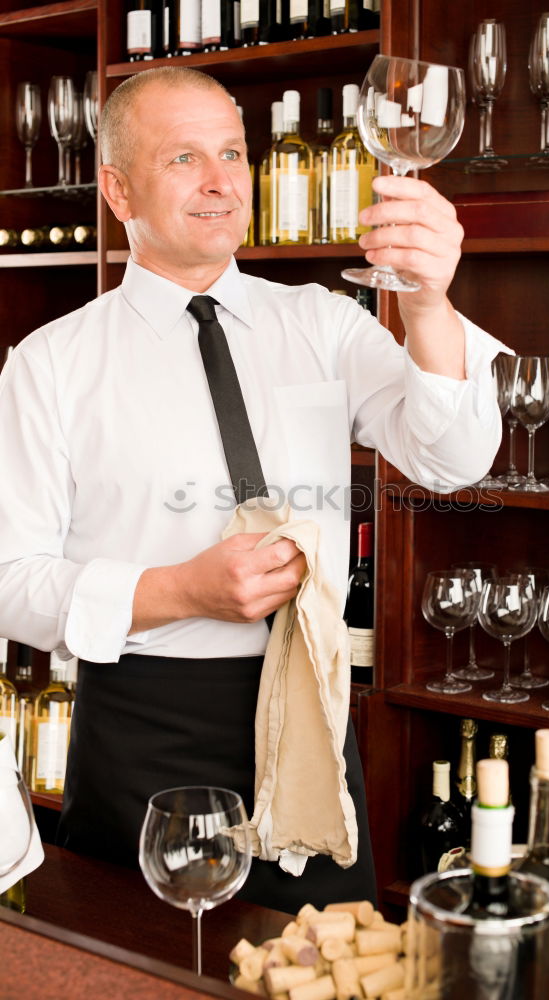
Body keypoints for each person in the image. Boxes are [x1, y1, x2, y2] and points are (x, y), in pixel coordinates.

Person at [0, 67, 508, 912]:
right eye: (184, 157)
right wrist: (178, 591)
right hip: (142, 728)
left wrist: (428, 301)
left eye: (233, 152)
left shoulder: (327, 322)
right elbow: (9, 579)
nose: (220, 180)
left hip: (312, 712)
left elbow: (453, 459)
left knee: (318, 964)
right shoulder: (48, 364)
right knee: (145, 974)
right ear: (118, 190)